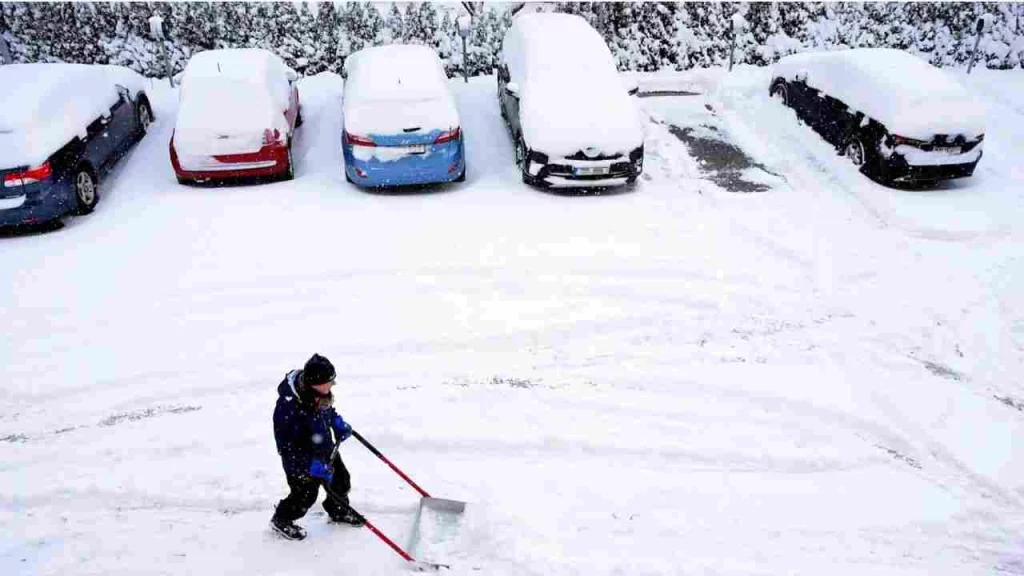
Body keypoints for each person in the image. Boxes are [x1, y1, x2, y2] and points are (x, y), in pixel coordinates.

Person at [270, 353, 364, 540]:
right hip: (300, 461)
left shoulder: (319, 393)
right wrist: (310, 465)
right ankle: (281, 519)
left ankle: (338, 511)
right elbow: (286, 448)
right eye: (329, 381)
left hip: (324, 449)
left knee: (341, 481)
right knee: (305, 496)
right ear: (314, 382)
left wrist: (336, 422)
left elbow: (327, 411)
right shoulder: (287, 408)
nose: (332, 385)